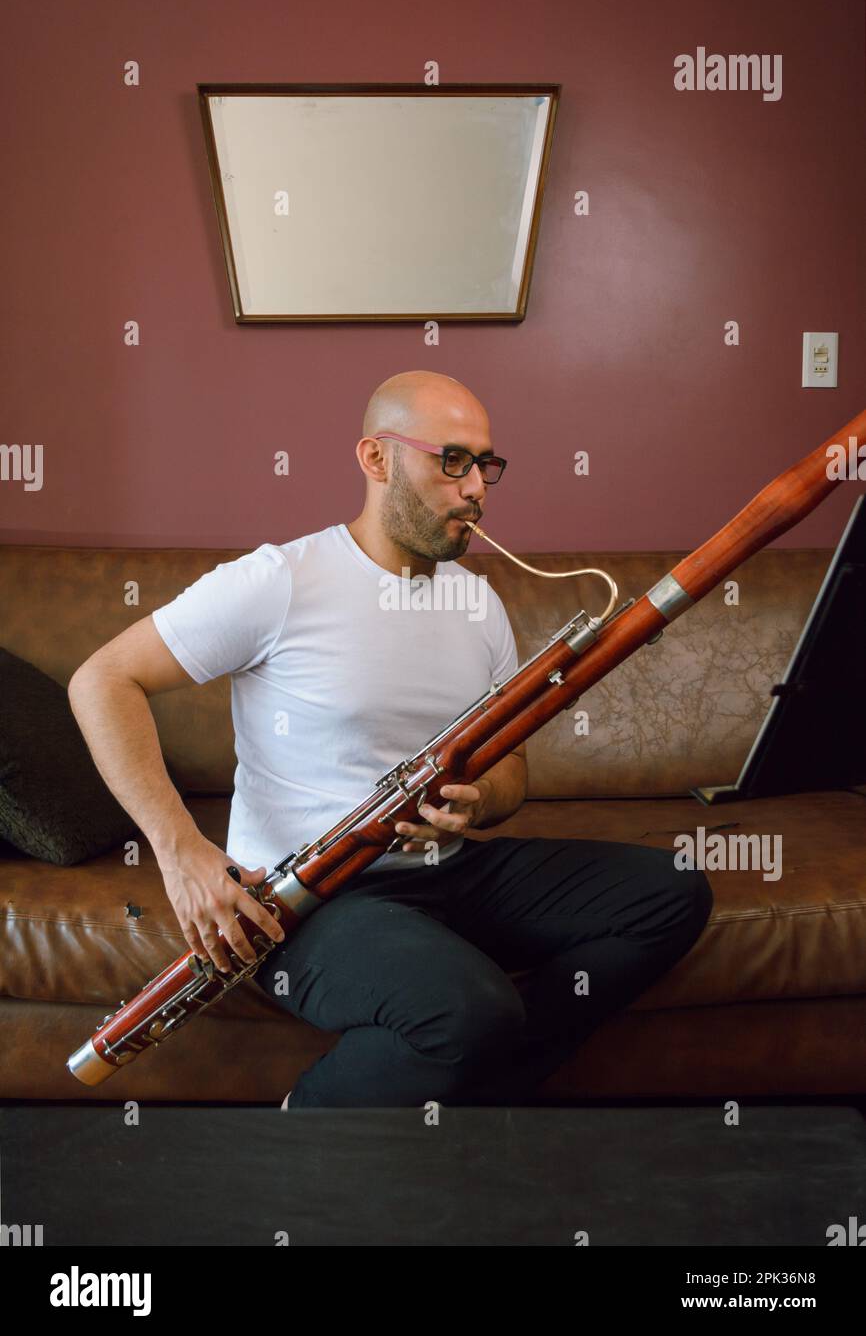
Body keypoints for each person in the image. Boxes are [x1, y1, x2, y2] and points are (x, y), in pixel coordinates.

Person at [68, 369, 713, 1107]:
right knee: (469, 1011)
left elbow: (511, 774)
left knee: (668, 893)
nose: (478, 489)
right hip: (306, 904)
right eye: (453, 461)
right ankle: (302, 1134)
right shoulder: (280, 580)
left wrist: (476, 802)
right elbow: (102, 680)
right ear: (377, 460)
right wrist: (181, 852)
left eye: (485, 465)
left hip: (449, 871)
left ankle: (481, 1083)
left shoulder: (478, 601)